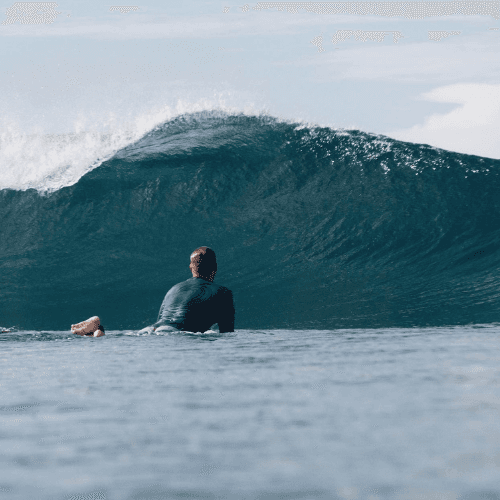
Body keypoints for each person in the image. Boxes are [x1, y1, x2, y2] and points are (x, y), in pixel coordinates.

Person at [146, 246, 235, 333]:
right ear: (215, 267)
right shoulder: (223, 292)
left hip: (153, 329)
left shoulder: (173, 289)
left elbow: (162, 319)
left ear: (190, 267)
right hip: (180, 332)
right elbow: (227, 332)